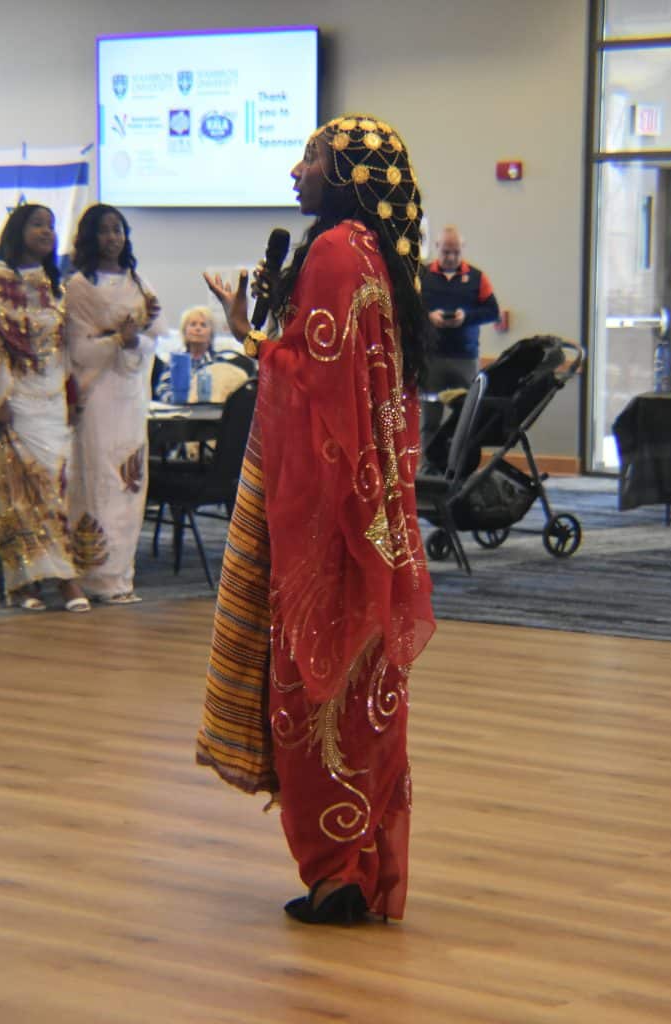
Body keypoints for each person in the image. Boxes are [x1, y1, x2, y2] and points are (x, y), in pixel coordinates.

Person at [196, 115, 436, 925]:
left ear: (345, 175)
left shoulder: (334, 251)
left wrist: (250, 340)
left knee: (313, 680)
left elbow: (317, 383)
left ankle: (335, 875)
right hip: (360, 507)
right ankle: (357, 867)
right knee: (362, 686)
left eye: (309, 157)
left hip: (322, 513)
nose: (295, 171)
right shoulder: (371, 254)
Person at [64, 203, 164, 605]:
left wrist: (134, 338)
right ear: (91, 237)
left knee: (130, 481)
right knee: (99, 481)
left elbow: (156, 335)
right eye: (105, 231)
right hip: (97, 395)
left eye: (118, 230)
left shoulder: (139, 283)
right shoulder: (78, 288)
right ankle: (93, 576)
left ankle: (121, 577)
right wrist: (117, 339)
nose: (113, 238)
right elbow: (79, 350)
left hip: (129, 394)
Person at [0, 204, 90, 612]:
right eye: (38, 225)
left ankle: (49, 576)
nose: (47, 232)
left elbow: (64, 348)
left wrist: (71, 395)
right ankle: (34, 582)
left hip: (52, 398)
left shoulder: (56, 287)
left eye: (51, 226)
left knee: (54, 489)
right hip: (15, 399)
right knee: (20, 493)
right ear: (18, 231)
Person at [420, 224, 500, 456]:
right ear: (437, 248)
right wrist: (428, 317)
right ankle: (429, 469)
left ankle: (460, 467)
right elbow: (407, 311)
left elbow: (493, 312)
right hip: (431, 358)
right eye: (446, 252)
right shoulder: (422, 276)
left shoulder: (477, 278)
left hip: (465, 358)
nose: (451, 257)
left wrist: (466, 318)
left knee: (466, 418)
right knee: (430, 421)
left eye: (456, 252)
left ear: (462, 250)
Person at [154, 304, 251, 404]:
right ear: (184, 331)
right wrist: (177, 400)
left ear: (211, 333)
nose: (198, 329)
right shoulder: (175, 362)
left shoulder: (219, 361)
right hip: (179, 414)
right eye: (193, 324)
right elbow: (163, 388)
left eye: (203, 325)